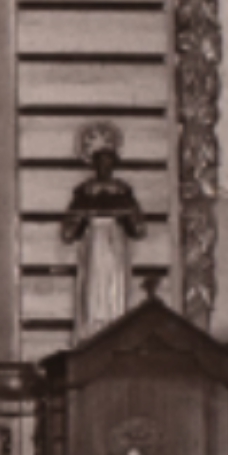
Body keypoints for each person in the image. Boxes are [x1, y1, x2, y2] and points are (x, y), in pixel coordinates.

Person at [59, 121, 144, 340]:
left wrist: (125, 214)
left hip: (115, 243)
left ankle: (114, 326)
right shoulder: (84, 191)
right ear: (93, 163)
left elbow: (139, 228)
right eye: (100, 161)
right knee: (93, 292)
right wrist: (84, 215)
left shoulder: (123, 190)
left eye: (109, 161)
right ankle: (92, 331)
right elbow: (68, 232)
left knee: (115, 291)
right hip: (94, 242)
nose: (104, 166)